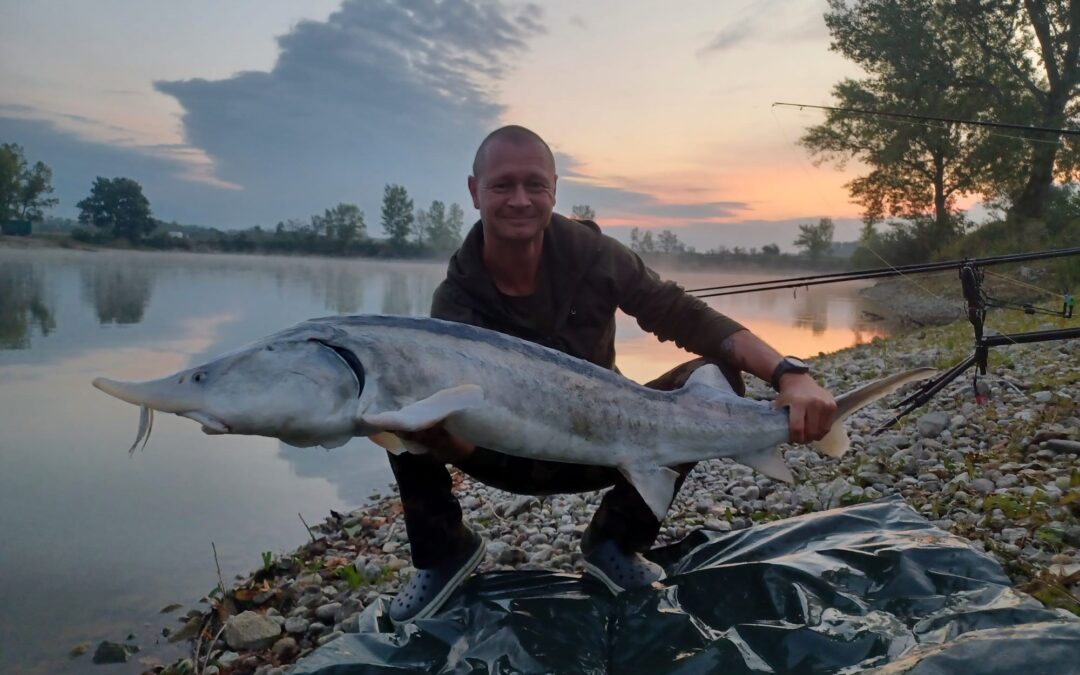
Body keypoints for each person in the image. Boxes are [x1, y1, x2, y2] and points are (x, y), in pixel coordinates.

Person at [386, 125, 836, 623]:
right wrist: (438, 442)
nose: (519, 200)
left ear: (555, 189)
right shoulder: (455, 302)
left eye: (535, 185)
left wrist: (789, 374)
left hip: (612, 445)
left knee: (715, 374)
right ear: (474, 191)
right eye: (502, 185)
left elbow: (685, 316)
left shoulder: (594, 254)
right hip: (502, 453)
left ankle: (614, 542)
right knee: (394, 401)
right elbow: (452, 431)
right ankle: (443, 552)